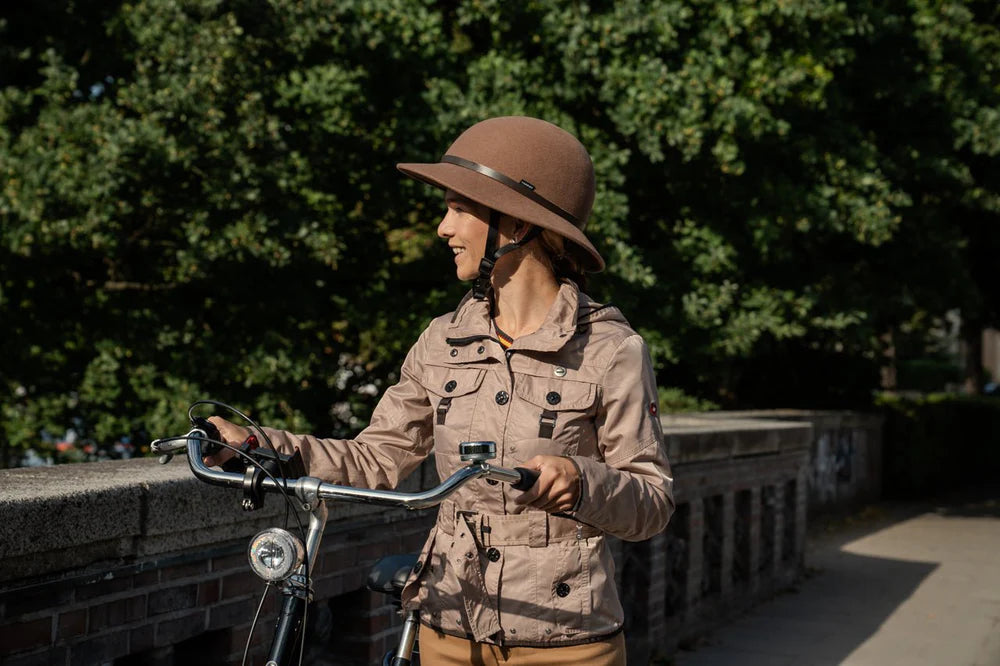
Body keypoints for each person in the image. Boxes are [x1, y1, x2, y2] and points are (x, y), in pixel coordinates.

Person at [206, 116, 674, 664]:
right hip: (447, 626)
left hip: (566, 638)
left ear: (517, 223)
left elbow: (653, 501)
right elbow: (376, 457)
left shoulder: (611, 349)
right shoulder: (441, 342)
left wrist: (582, 482)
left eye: (458, 208)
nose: (442, 228)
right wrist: (260, 446)